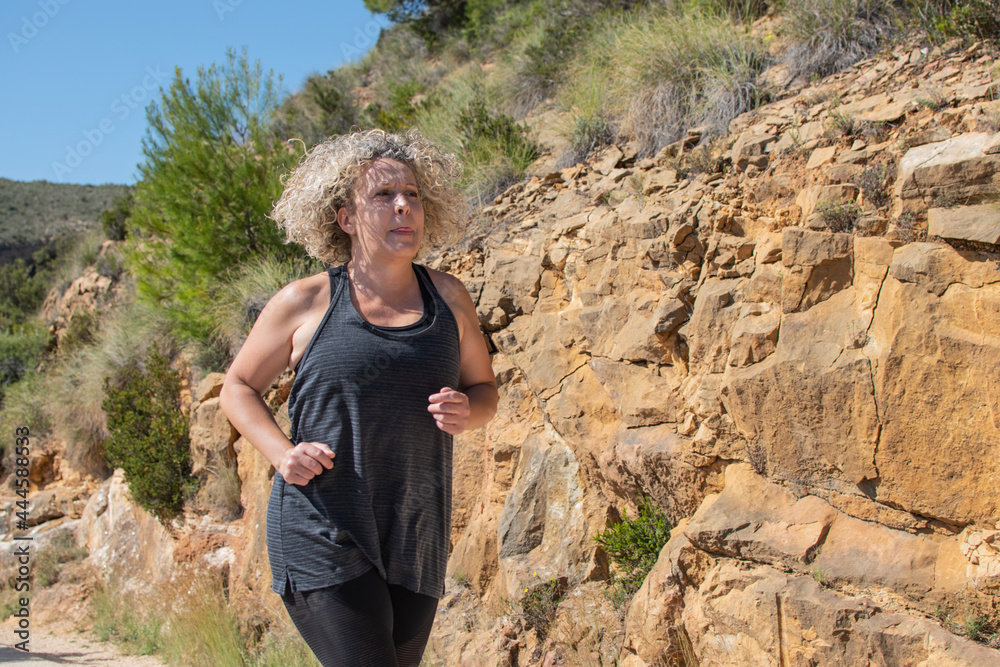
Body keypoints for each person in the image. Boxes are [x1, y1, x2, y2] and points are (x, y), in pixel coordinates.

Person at [219, 128, 498, 666]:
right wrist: (282, 454)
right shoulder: (305, 301)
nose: (403, 206)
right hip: (323, 524)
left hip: (417, 530)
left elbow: (484, 390)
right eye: (383, 195)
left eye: (412, 194)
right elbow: (238, 387)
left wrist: (469, 412)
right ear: (345, 218)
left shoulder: (449, 297)